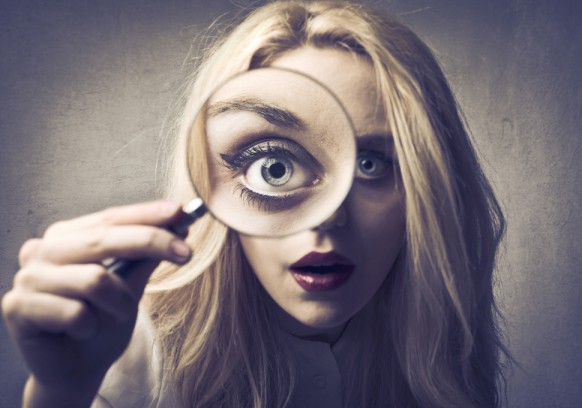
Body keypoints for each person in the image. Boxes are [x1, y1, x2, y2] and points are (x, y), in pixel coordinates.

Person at [2, 1, 508, 407]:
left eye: (371, 165)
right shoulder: (137, 356)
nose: (329, 215)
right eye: (274, 166)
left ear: (432, 191)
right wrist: (59, 393)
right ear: (212, 180)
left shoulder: (442, 357)